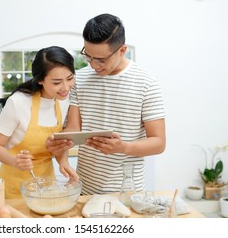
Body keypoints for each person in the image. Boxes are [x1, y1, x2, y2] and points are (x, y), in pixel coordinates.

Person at [46, 13, 166, 195]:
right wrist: (59, 144)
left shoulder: (146, 83)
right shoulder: (81, 78)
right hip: (84, 190)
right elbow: (73, 128)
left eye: (101, 60)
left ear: (122, 50)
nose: (94, 65)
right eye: (88, 56)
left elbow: (158, 143)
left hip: (127, 193)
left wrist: (123, 147)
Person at [0, 46, 78, 199]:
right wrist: (15, 161)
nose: (65, 87)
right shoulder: (18, 103)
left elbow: (58, 143)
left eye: (70, 78)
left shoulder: (63, 100)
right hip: (14, 189)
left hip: (46, 186)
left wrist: (63, 161)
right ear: (40, 80)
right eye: (57, 82)